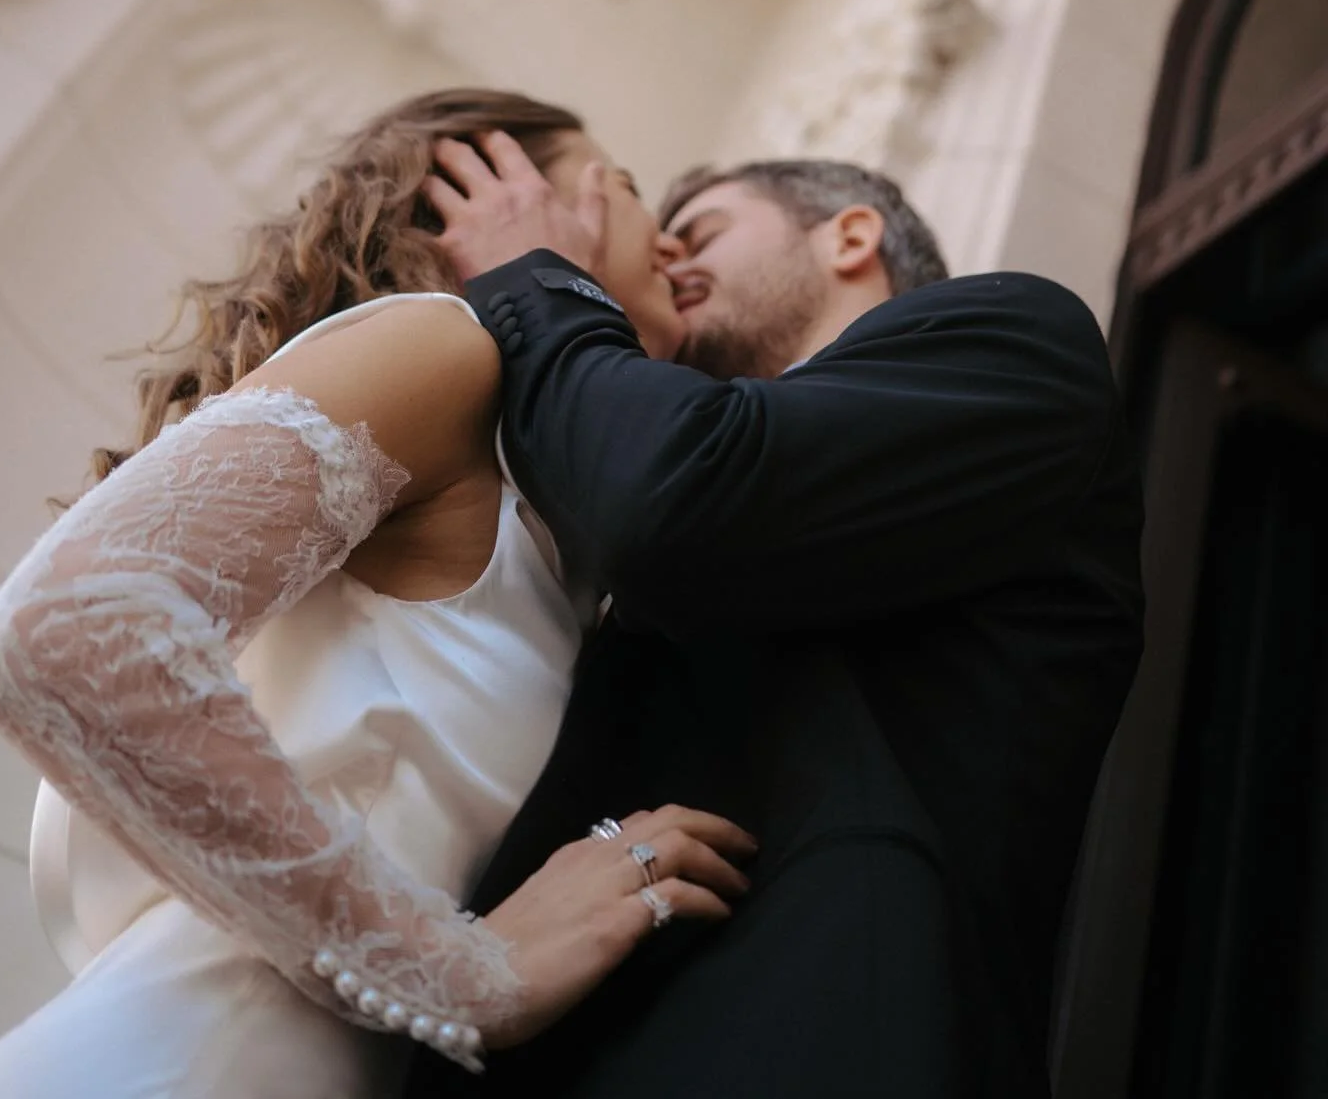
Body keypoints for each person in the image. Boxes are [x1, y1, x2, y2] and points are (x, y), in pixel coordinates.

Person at [0, 90, 755, 1099]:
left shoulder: (555, 522)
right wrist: (468, 975)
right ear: (498, 196)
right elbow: (68, 629)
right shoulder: (447, 348)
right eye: (631, 194)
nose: (672, 248)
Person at [406, 139, 1145, 1099]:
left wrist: (538, 281)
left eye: (698, 233)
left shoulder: (1011, 335)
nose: (665, 260)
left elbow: (672, 501)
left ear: (849, 236)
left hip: (808, 1030)